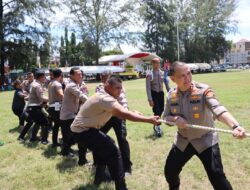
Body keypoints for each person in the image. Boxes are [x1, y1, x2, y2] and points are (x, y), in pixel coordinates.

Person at [163, 61, 246, 190]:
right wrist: (175, 119)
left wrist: (235, 126)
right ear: (173, 79)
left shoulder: (203, 90)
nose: (188, 78)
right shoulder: (170, 95)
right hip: (183, 141)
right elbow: (165, 118)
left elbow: (218, 109)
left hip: (206, 140)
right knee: (170, 171)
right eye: (182, 76)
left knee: (217, 177)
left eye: (189, 73)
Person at [71, 76, 160, 190]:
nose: (120, 91)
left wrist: (133, 112)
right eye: (117, 88)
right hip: (83, 131)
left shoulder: (104, 96)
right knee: (113, 151)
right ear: (108, 86)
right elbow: (123, 113)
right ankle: (121, 186)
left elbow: (118, 111)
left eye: (121, 88)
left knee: (104, 148)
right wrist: (148, 119)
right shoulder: (105, 98)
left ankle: (100, 177)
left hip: (84, 130)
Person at [96, 71, 132, 175]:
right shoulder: (100, 88)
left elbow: (123, 100)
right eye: (103, 77)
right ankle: (99, 165)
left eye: (106, 77)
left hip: (118, 116)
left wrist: (124, 111)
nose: (104, 80)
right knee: (98, 138)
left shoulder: (118, 87)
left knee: (122, 139)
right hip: (105, 116)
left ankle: (127, 168)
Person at [60, 67, 88, 164]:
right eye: (78, 74)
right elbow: (81, 95)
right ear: (71, 75)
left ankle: (64, 152)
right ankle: (82, 160)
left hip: (69, 115)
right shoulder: (72, 85)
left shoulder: (75, 84)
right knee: (82, 135)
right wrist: (93, 102)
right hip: (69, 115)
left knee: (71, 136)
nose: (80, 76)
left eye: (81, 74)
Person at [24, 70, 49, 144]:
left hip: (31, 107)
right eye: (44, 76)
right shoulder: (37, 85)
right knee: (46, 123)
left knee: (38, 122)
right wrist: (52, 99)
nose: (45, 78)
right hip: (35, 108)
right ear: (41, 77)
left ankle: (33, 138)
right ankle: (44, 140)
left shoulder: (33, 84)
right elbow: (41, 97)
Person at [146, 57, 165, 137]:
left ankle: (156, 123)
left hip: (161, 94)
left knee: (161, 110)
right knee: (156, 110)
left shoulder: (162, 73)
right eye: (155, 63)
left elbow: (166, 83)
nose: (157, 64)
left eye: (158, 63)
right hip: (154, 94)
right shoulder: (149, 74)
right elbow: (148, 88)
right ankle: (158, 127)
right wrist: (150, 99)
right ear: (152, 64)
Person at [48, 69, 64, 147]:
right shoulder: (57, 84)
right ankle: (65, 144)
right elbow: (61, 95)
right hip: (57, 107)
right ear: (60, 75)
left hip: (52, 107)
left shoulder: (50, 83)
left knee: (56, 125)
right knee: (64, 126)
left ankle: (54, 142)